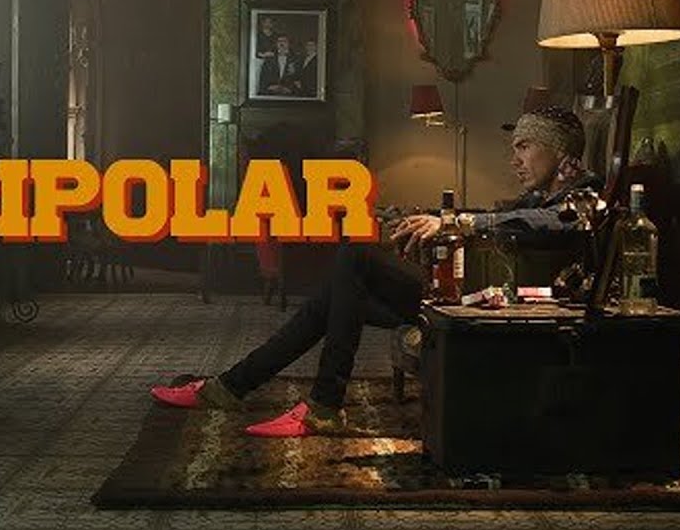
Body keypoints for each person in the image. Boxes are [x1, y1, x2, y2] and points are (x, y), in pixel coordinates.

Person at [150, 105, 601, 437]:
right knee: (339, 291)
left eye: (524, 146)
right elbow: (504, 216)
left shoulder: (585, 197)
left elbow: (551, 223)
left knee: (354, 262)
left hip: (503, 311)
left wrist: (459, 223)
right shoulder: (542, 195)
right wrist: (428, 217)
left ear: (559, 149)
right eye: (514, 147)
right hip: (478, 300)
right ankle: (240, 389)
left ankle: (306, 401)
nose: (514, 158)